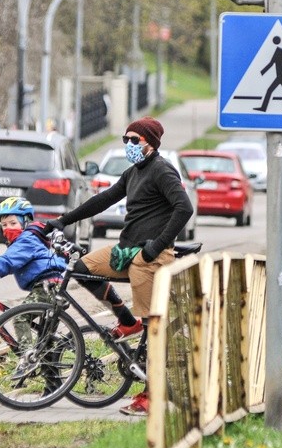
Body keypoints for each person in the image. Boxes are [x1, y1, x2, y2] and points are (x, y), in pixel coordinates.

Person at [43, 116, 194, 416]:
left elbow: (184, 208)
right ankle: (126, 321)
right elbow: (102, 200)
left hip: (152, 255)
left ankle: (152, 394)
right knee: (83, 267)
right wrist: (63, 220)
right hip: (127, 250)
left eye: (134, 141)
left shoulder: (162, 170)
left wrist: (158, 245)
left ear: (150, 143)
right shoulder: (133, 172)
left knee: (154, 327)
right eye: (125, 140)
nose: (128, 145)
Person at [0, 197, 66, 305]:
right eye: (4, 225)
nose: (8, 228)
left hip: (48, 284)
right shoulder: (24, 239)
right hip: (47, 284)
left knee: (19, 319)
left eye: (13, 223)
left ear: (25, 223)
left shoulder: (27, 239)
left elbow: (9, 260)